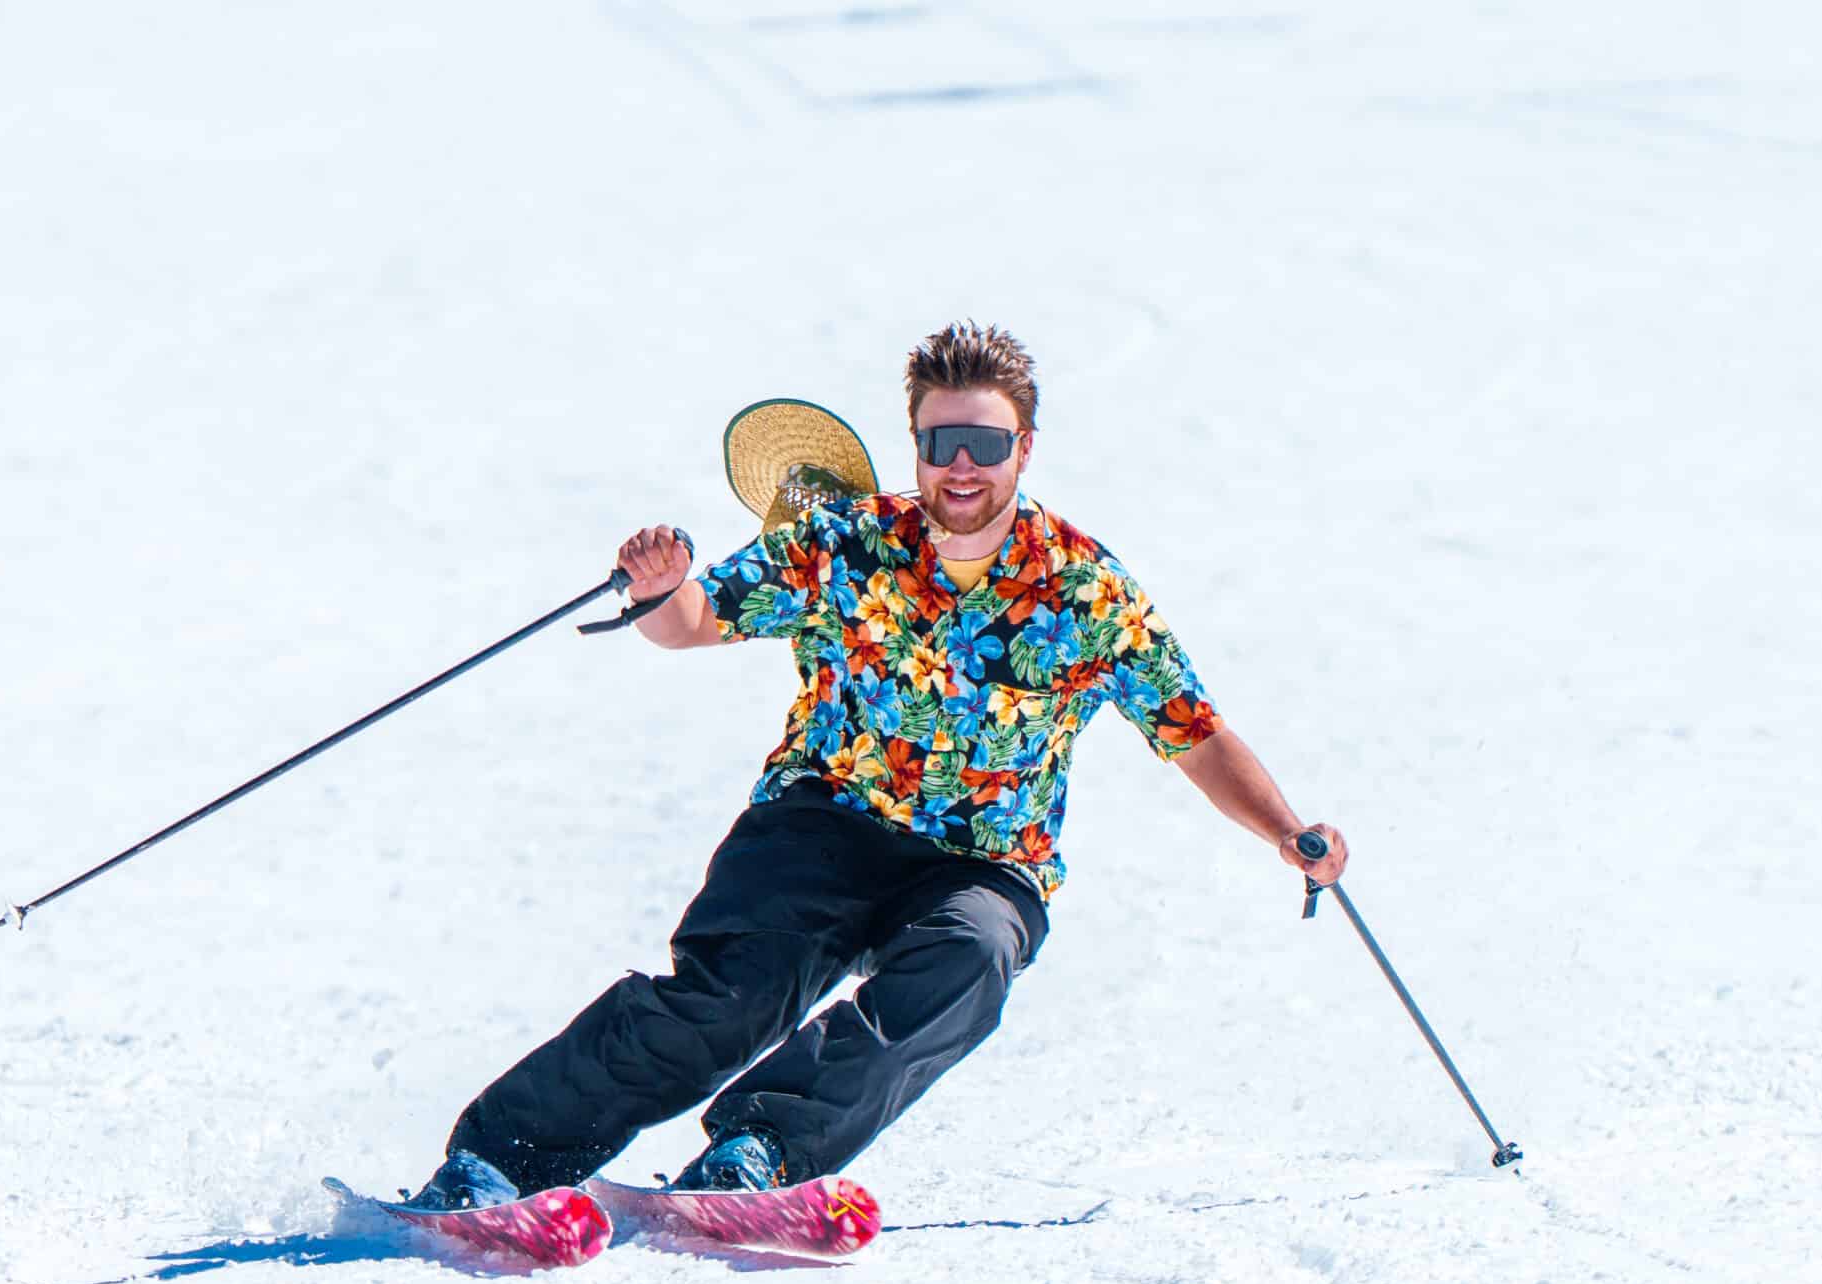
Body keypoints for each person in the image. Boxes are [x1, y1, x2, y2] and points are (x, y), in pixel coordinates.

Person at [411, 322, 1347, 1207]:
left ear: (1026, 446)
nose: (963, 465)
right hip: (822, 827)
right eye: (942, 440)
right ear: (916, 444)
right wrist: (660, 591)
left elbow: (1194, 730)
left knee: (973, 957)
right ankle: (501, 1161)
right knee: (727, 1003)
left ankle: (761, 1152)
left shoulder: (1086, 589)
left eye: (986, 441)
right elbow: (694, 621)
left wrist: (1285, 833)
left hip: (983, 861)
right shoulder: (846, 543)